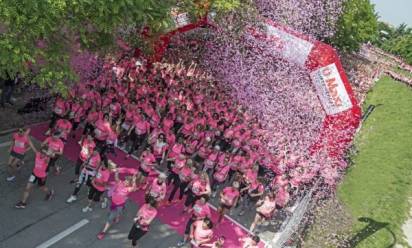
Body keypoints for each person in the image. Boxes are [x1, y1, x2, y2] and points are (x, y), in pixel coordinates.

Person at [97, 169, 137, 240]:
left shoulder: (128, 189)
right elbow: (116, 178)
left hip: (118, 205)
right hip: (112, 202)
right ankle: (118, 216)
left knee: (110, 218)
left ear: (129, 184)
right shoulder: (120, 183)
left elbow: (134, 188)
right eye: (125, 180)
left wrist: (134, 180)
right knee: (113, 212)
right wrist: (116, 172)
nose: (125, 181)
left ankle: (103, 232)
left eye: (127, 181)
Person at [15, 144, 54, 209]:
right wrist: (27, 137)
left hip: (42, 176)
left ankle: (50, 192)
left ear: (46, 153)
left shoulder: (47, 159)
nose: (42, 154)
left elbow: (51, 156)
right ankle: (23, 203)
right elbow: (32, 146)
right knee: (27, 188)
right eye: (41, 152)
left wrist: (48, 153)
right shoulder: (37, 154)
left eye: (44, 153)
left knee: (42, 187)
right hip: (34, 174)